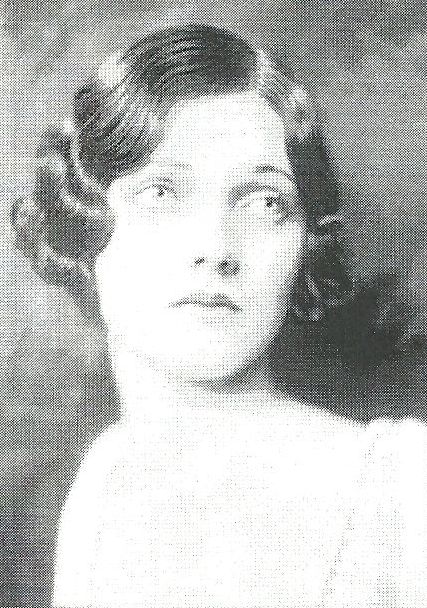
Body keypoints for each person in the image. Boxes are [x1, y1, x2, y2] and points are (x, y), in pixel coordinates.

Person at [12, 22, 427, 608]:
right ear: (82, 220)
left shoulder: (401, 489)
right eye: (163, 193)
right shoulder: (104, 482)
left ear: (306, 245)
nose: (215, 247)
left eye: (265, 203)